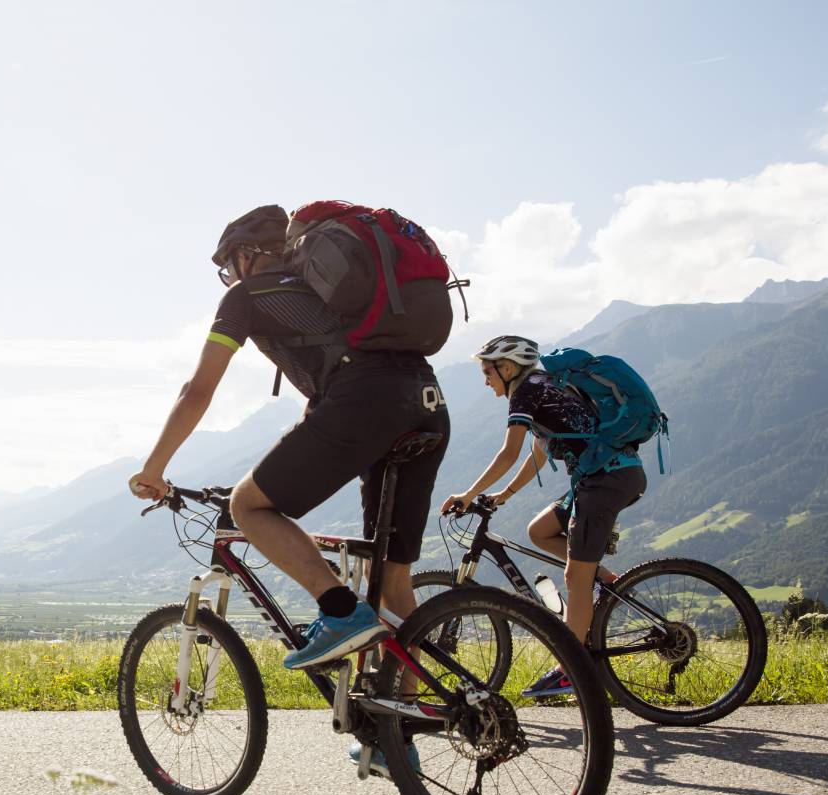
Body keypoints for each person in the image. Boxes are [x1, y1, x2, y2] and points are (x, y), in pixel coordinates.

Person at [128, 204, 451, 680]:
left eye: (227, 266)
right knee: (392, 577)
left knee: (248, 506)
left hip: (365, 404)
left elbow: (197, 391)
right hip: (427, 402)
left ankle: (339, 610)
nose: (228, 276)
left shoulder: (247, 296)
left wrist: (153, 468)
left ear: (245, 255)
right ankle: (397, 734)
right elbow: (336, 378)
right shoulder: (336, 294)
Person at [440, 334, 648, 697]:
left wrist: (467, 494)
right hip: (606, 476)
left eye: (488, 372)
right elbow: (539, 451)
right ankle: (605, 581)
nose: (486, 380)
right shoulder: (545, 386)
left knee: (574, 575)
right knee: (540, 531)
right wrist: (503, 495)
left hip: (606, 481)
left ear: (507, 368)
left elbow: (509, 453)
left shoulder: (527, 391)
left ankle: (571, 669)